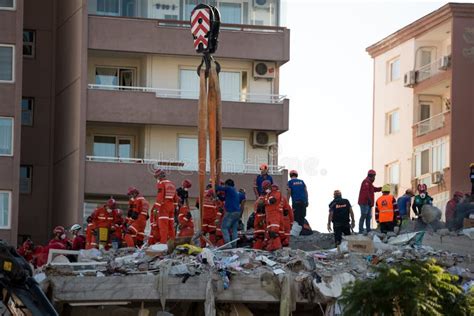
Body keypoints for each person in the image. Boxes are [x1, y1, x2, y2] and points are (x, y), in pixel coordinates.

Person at [215, 179, 245, 248]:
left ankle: (228, 245)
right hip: (237, 213)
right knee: (234, 229)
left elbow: (217, 187)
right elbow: (224, 199)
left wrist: (215, 182)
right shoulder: (236, 193)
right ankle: (234, 245)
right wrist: (219, 196)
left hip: (230, 212)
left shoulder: (229, 188)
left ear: (227, 185)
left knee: (224, 227)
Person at [151, 169, 178, 244]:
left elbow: (160, 197)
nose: (157, 179)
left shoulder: (161, 184)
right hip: (171, 207)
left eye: (157, 177)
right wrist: (175, 208)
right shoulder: (172, 184)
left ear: (159, 176)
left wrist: (156, 209)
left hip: (164, 207)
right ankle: (172, 243)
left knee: (163, 227)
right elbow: (176, 198)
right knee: (171, 227)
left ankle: (163, 244)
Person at [358, 169, 382, 234]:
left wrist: (381, 188)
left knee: (369, 216)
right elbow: (366, 193)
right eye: (374, 177)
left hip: (368, 203)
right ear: (372, 176)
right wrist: (370, 201)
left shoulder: (369, 183)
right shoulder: (366, 182)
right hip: (364, 203)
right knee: (364, 215)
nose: (374, 178)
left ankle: (368, 229)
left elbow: (374, 189)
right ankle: (361, 230)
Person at [263, 180, 283, 251]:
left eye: (266, 187)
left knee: (274, 233)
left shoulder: (276, 192)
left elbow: (273, 200)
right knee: (270, 233)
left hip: (274, 215)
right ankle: (271, 247)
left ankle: (278, 247)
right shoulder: (268, 195)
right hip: (269, 217)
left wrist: (265, 202)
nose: (265, 189)